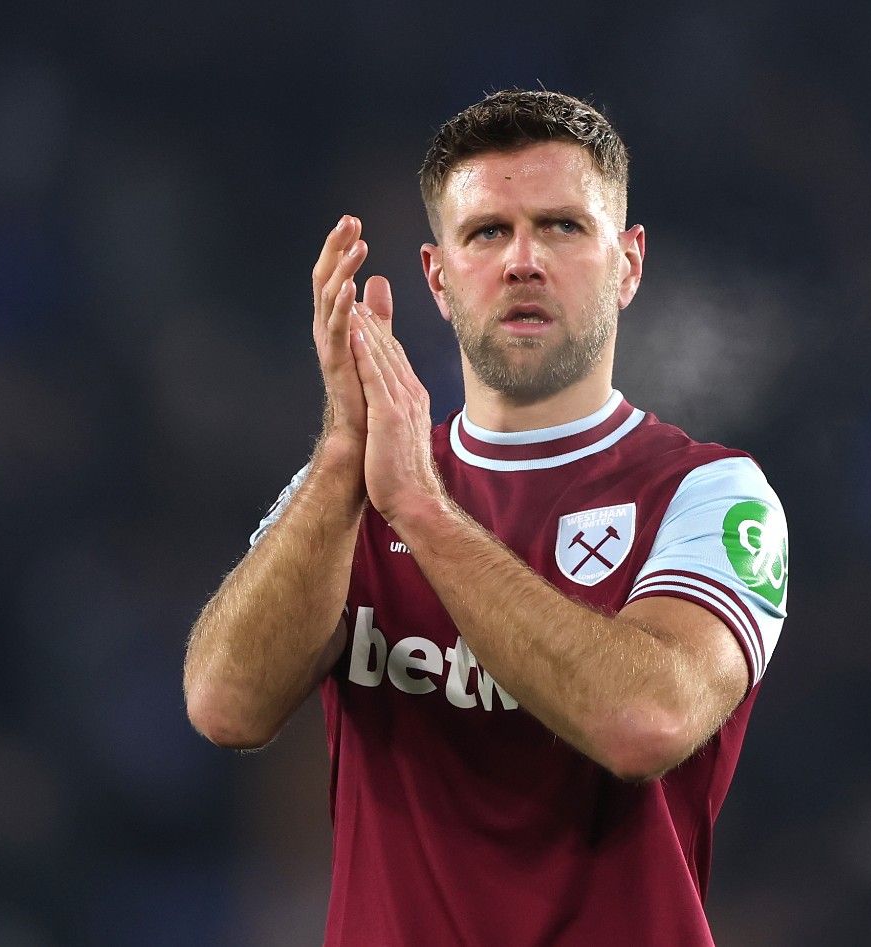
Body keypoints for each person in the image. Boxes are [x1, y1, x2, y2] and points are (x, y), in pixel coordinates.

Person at [183, 89, 789, 946]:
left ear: (627, 264)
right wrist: (340, 456)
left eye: (562, 226)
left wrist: (422, 513)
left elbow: (643, 722)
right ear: (438, 276)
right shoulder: (347, 489)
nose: (523, 261)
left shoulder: (710, 494)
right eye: (488, 232)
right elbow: (225, 705)